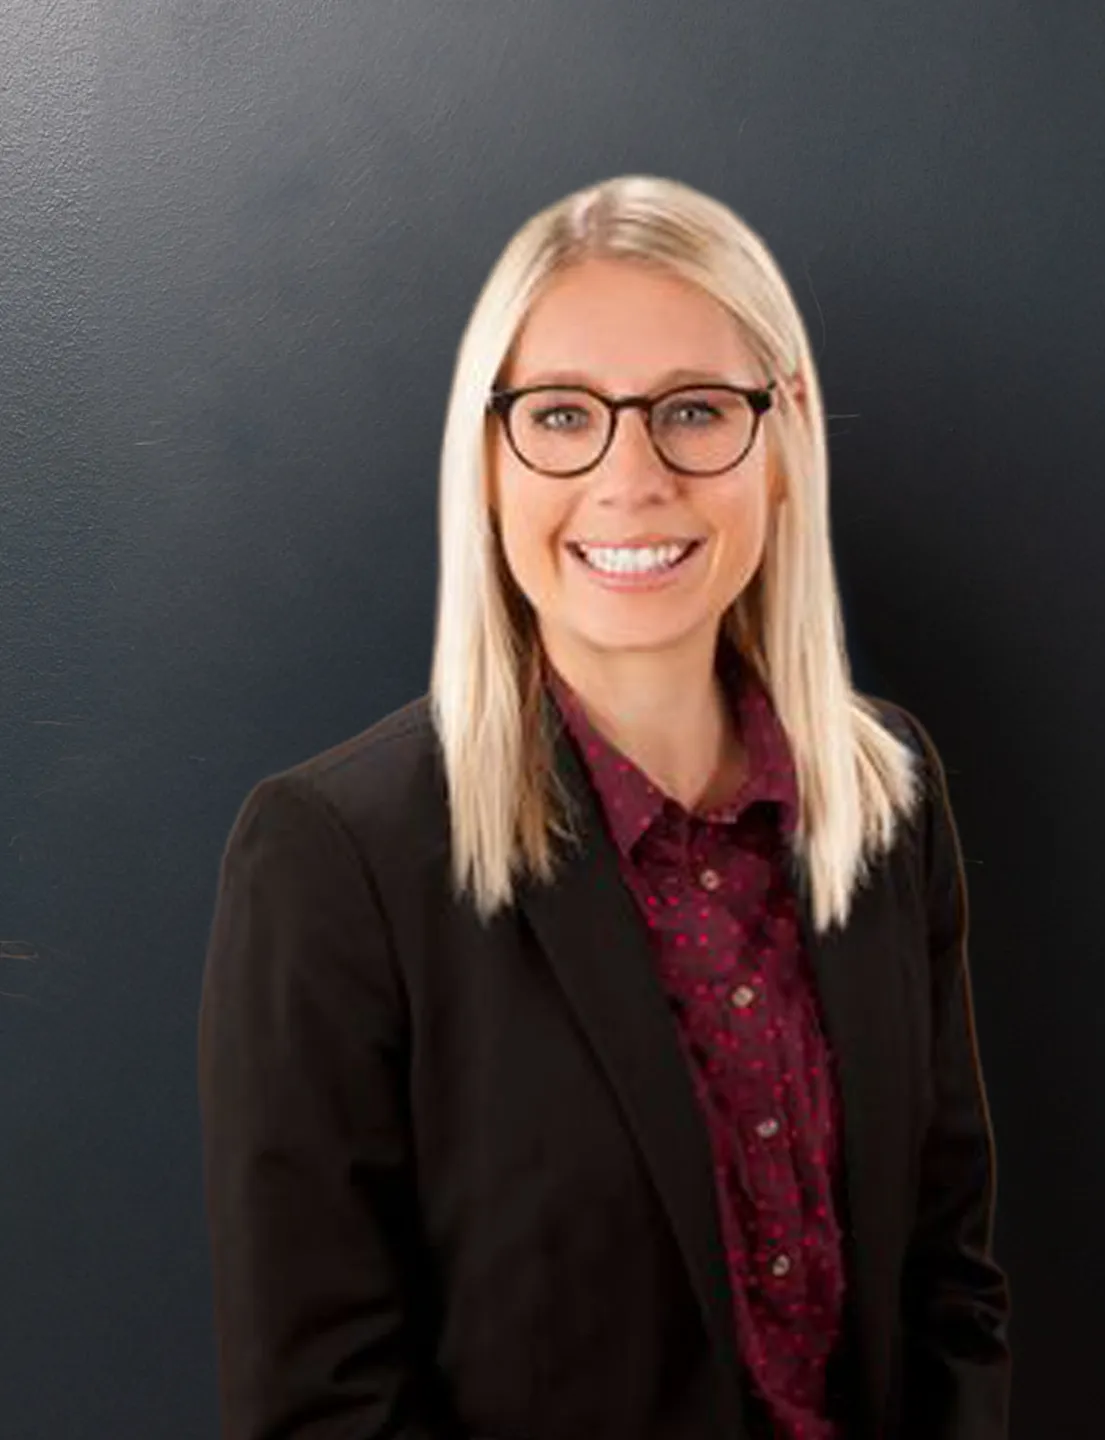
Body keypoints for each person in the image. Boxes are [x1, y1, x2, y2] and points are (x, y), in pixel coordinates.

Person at [197, 174, 1011, 1440]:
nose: (631, 478)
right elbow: (321, 1403)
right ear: (487, 460)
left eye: (694, 411)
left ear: (785, 438)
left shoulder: (886, 799)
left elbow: (948, 1282)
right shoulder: (335, 860)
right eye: (564, 416)